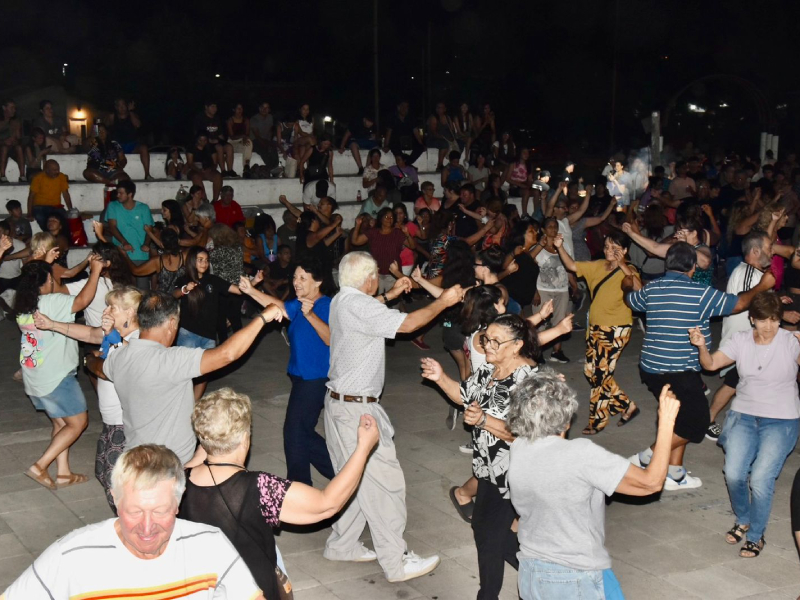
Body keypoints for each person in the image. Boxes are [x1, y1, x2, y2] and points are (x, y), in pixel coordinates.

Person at [323, 251, 464, 582]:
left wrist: (390, 294)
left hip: (340, 405)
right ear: (370, 279)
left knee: (353, 479)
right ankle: (396, 561)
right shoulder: (362, 306)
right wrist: (443, 301)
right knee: (386, 484)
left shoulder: (341, 300)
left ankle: (342, 545)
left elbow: (371, 309)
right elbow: (410, 324)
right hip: (358, 410)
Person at [180, 388, 379, 598]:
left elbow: (192, 462)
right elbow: (327, 503)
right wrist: (363, 448)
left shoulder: (177, 481)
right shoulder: (260, 487)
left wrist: (207, 442)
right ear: (245, 439)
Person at [1, 444, 265, 599]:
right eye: (135, 511)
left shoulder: (210, 545)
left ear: (178, 502)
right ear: (115, 498)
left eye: (160, 511)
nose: (147, 528)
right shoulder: (71, 556)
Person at [508, 374, 682, 600]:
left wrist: (545, 387)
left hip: (531, 573)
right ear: (567, 420)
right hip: (574, 575)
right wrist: (667, 422)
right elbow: (651, 483)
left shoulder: (519, 447)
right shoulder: (580, 455)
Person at [626, 242, 776, 490]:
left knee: (680, 416)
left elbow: (632, 300)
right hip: (679, 370)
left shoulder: (651, 288)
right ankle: (646, 457)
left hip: (651, 368)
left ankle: (674, 473)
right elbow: (738, 304)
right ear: (693, 267)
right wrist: (763, 286)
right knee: (697, 424)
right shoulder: (700, 293)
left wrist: (626, 284)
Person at [420, 314, 539, 599]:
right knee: (491, 532)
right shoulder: (489, 370)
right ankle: (540, 576)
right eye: (486, 339)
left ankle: (488, 595)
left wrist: (484, 420)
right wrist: (440, 377)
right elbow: (463, 396)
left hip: (515, 473)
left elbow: (523, 434)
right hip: (488, 469)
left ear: (517, 345)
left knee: (486, 533)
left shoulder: (529, 383)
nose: (487, 346)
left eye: (496, 341)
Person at [95, 291, 282, 466]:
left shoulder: (119, 357)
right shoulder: (172, 360)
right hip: (168, 467)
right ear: (171, 323)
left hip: (134, 461)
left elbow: (100, 368)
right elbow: (227, 354)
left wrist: (88, 358)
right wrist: (263, 318)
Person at [690, 291, 800, 558]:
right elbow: (711, 364)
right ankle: (743, 518)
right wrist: (702, 346)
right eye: (763, 320)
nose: (769, 326)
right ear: (752, 320)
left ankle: (755, 536)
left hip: (782, 418)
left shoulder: (790, 341)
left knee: (762, 478)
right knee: (734, 473)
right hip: (744, 415)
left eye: (774, 320)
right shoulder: (740, 341)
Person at [33, 285, 142, 510]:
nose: (107, 310)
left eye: (113, 307)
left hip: (127, 424)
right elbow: (89, 333)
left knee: (117, 481)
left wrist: (110, 336)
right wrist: (52, 324)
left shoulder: (139, 337)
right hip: (111, 422)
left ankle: (131, 523)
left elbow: (126, 359)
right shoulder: (116, 333)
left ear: (130, 312)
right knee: (103, 473)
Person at [239, 257, 335, 485]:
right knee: (301, 431)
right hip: (300, 377)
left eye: (303, 278)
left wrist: (310, 315)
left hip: (316, 378)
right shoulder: (300, 304)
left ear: (318, 281)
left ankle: (299, 484)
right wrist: (251, 291)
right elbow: (279, 307)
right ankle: (340, 472)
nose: (296, 282)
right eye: (295, 277)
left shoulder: (326, 305)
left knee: (294, 430)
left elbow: (331, 338)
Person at [14, 258, 103, 490]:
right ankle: (40, 466)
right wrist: (95, 272)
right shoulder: (52, 301)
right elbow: (84, 300)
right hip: (56, 377)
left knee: (62, 423)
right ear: (48, 281)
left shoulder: (23, 305)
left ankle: (63, 473)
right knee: (78, 422)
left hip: (35, 376)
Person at [554, 230, 642, 434]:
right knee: (590, 371)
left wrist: (623, 265)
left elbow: (639, 290)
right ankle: (627, 405)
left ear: (625, 250)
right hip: (595, 327)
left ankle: (598, 420)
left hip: (616, 329)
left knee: (600, 376)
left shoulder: (629, 271)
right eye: (607, 246)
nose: (609, 251)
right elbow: (572, 266)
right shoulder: (597, 266)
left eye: (615, 248)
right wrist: (559, 247)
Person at [707, 231, 775, 441]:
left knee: (737, 384)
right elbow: (744, 303)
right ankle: (707, 421)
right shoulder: (749, 275)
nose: (772, 253)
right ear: (755, 251)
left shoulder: (753, 273)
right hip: (744, 342)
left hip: (751, 342)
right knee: (732, 384)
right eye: (768, 248)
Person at [173, 247, 243, 397]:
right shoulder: (183, 279)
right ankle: (181, 403)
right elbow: (174, 294)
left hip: (209, 335)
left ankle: (193, 405)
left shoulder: (213, 280)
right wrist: (185, 289)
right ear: (192, 261)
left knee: (203, 375)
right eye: (200, 260)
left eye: (206, 260)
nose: (204, 263)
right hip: (188, 334)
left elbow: (237, 291)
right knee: (185, 374)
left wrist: (254, 282)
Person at [350, 208, 415, 294]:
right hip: (376, 274)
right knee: (377, 302)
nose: (389, 219)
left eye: (391, 217)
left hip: (393, 274)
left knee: (393, 303)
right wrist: (358, 225)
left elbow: (412, 246)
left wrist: (407, 234)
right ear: (380, 219)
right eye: (386, 217)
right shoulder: (373, 232)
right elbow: (355, 241)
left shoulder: (397, 233)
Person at [105, 180, 154, 287]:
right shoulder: (113, 206)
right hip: (121, 252)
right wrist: (124, 242)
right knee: (123, 287)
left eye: (121, 193)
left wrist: (146, 244)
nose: (118, 195)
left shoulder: (143, 208)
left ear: (130, 194)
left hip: (140, 253)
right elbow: (112, 227)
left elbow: (149, 229)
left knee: (142, 288)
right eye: (117, 192)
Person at [105, 98, 154, 180]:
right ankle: (114, 174)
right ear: (116, 107)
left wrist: (131, 112)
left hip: (132, 145)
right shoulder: (112, 116)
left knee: (144, 148)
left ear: (127, 106)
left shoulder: (132, 115)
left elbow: (138, 125)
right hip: (118, 147)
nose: (122, 107)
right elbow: (104, 126)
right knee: (110, 150)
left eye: (123, 105)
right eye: (119, 105)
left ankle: (147, 174)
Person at [27, 159, 72, 231]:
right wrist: (29, 213)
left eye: (58, 169)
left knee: (65, 219)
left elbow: (66, 194)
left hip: (56, 206)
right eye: (54, 170)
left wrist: (70, 209)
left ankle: (60, 238)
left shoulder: (61, 177)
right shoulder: (38, 178)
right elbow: (31, 196)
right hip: (40, 206)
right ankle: (50, 236)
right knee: (40, 217)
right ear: (47, 170)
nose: (57, 172)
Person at [194, 101, 236, 177]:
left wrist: (222, 140)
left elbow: (220, 134)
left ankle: (230, 170)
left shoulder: (217, 118)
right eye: (212, 106)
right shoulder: (200, 118)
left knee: (229, 147)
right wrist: (210, 140)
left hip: (217, 141)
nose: (215, 109)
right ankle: (223, 170)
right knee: (219, 148)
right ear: (206, 107)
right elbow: (199, 134)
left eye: (216, 107)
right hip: (206, 143)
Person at [384, 100, 424, 165]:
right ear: (398, 107)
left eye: (406, 107)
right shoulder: (392, 118)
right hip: (396, 142)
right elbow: (389, 133)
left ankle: (406, 163)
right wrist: (386, 145)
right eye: (402, 106)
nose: (404, 109)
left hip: (409, 141)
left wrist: (421, 143)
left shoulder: (411, 118)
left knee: (420, 147)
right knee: (395, 149)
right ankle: (406, 164)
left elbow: (416, 131)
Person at [187, 133, 224, 201]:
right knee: (196, 177)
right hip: (194, 169)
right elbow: (190, 163)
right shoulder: (191, 148)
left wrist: (210, 169)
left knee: (218, 176)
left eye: (204, 140)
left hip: (208, 169)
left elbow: (215, 163)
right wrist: (199, 170)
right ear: (197, 140)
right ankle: (204, 199)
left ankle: (215, 200)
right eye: (200, 140)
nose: (202, 142)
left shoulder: (211, 148)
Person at [0, 99, 25, 183]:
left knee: (19, 148)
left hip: (11, 146)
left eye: (14, 108)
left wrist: (15, 140)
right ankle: (2, 175)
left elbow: (18, 137)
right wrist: (4, 142)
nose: (14, 110)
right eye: (11, 108)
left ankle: (22, 175)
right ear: (4, 108)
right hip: (2, 146)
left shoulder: (15, 121)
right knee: (4, 148)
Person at [250, 101, 279, 169]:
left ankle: (276, 166)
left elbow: (270, 131)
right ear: (259, 108)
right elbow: (257, 136)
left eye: (266, 108)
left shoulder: (270, 117)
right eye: (263, 107)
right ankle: (271, 168)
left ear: (269, 110)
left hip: (266, 140)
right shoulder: (254, 119)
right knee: (263, 149)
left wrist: (269, 142)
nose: (264, 109)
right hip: (255, 141)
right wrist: (266, 144)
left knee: (273, 146)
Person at [226, 103, 253, 174]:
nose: (240, 110)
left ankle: (246, 166)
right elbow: (232, 136)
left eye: (241, 108)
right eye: (238, 108)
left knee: (248, 142)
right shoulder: (230, 120)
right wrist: (243, 136)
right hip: (232, 142)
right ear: (234, 110)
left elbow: (247, 134)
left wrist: (244, 138)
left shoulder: (246, 120)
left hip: (242, 140)